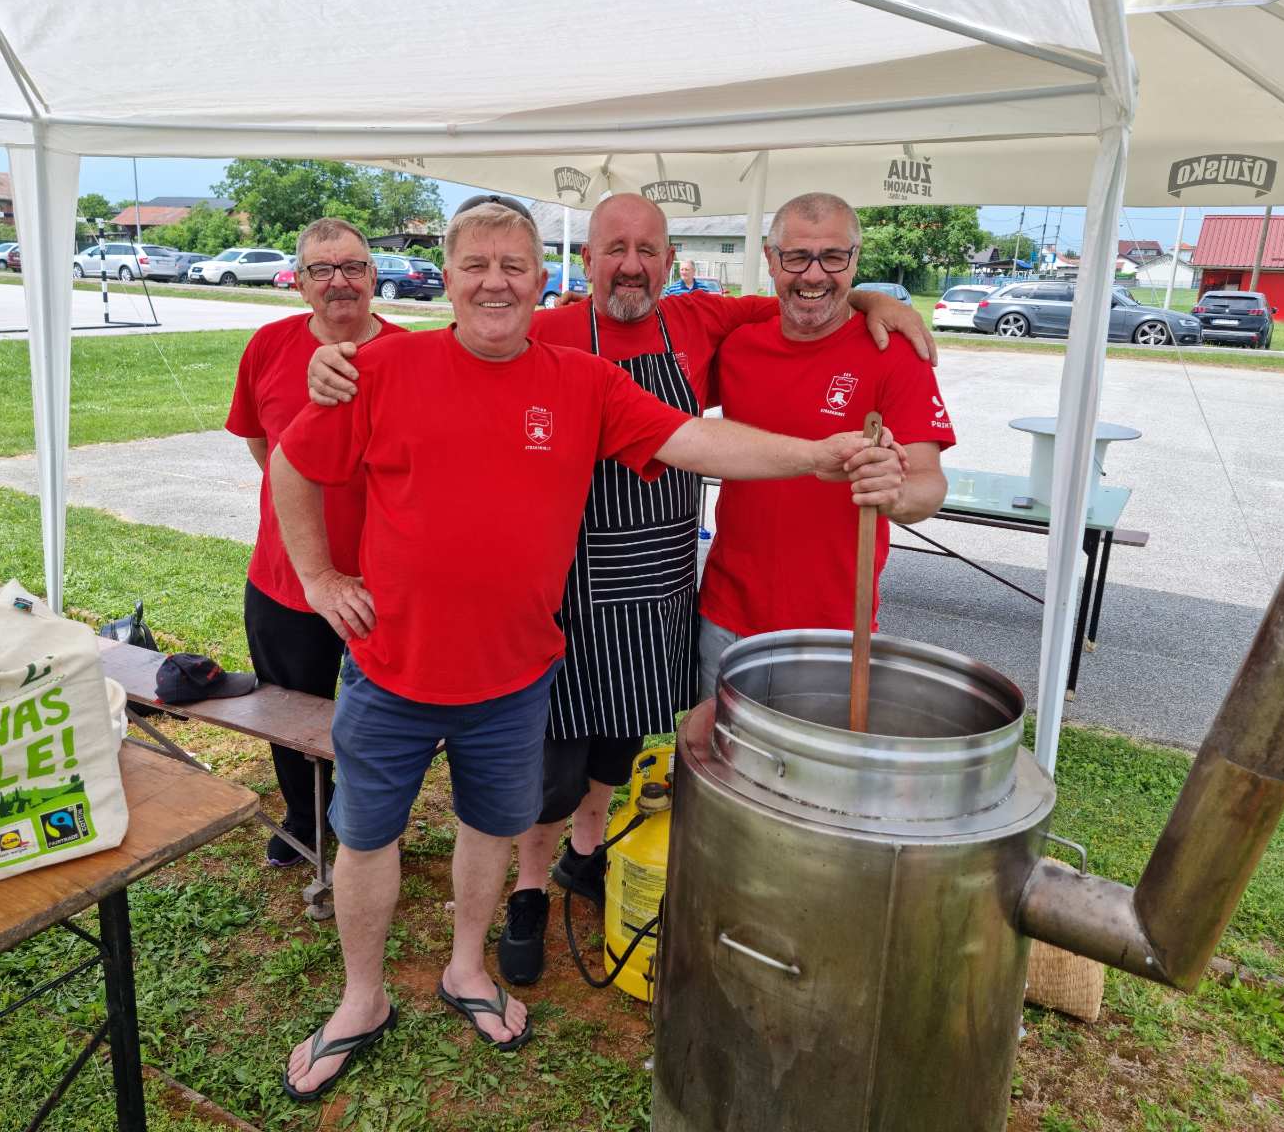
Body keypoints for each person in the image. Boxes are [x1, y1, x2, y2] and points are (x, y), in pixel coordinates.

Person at [269, 200, 897, 1101]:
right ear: (445, 278)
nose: (495, 281)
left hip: (515, 677)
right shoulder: (381, 366)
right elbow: (293, 465)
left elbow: (697, 438)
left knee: (492, 828)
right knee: (367, 839)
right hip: (389, 670)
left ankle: (466, 971)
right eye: (476, 264)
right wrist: (323, 580)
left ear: (541, 278)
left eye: (514, 265)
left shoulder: (582, 382)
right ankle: (360, 999)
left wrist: (820, 454)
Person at [693, 191, 955, 708]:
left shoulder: (893, 352)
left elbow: (929, 484)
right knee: (721, 774)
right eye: (796, 257)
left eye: (833, 257)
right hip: (725, 615)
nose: (814, 275)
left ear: (855, 260)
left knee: (815, 785)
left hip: (835, 630)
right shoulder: (739, 344)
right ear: (771, 261)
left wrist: (894, 492)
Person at [224, 217, 402, 871]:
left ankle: (367, 825)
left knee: (376, 718)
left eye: (353, 266)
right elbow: (260, 445)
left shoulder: (409, 356)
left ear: (374, 276)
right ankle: (304, 820)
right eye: (322, 271)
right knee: (288, 707)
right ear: (300, 285)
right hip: (284, 579)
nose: (339, 282)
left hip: (383, 586)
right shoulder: (268, 347)